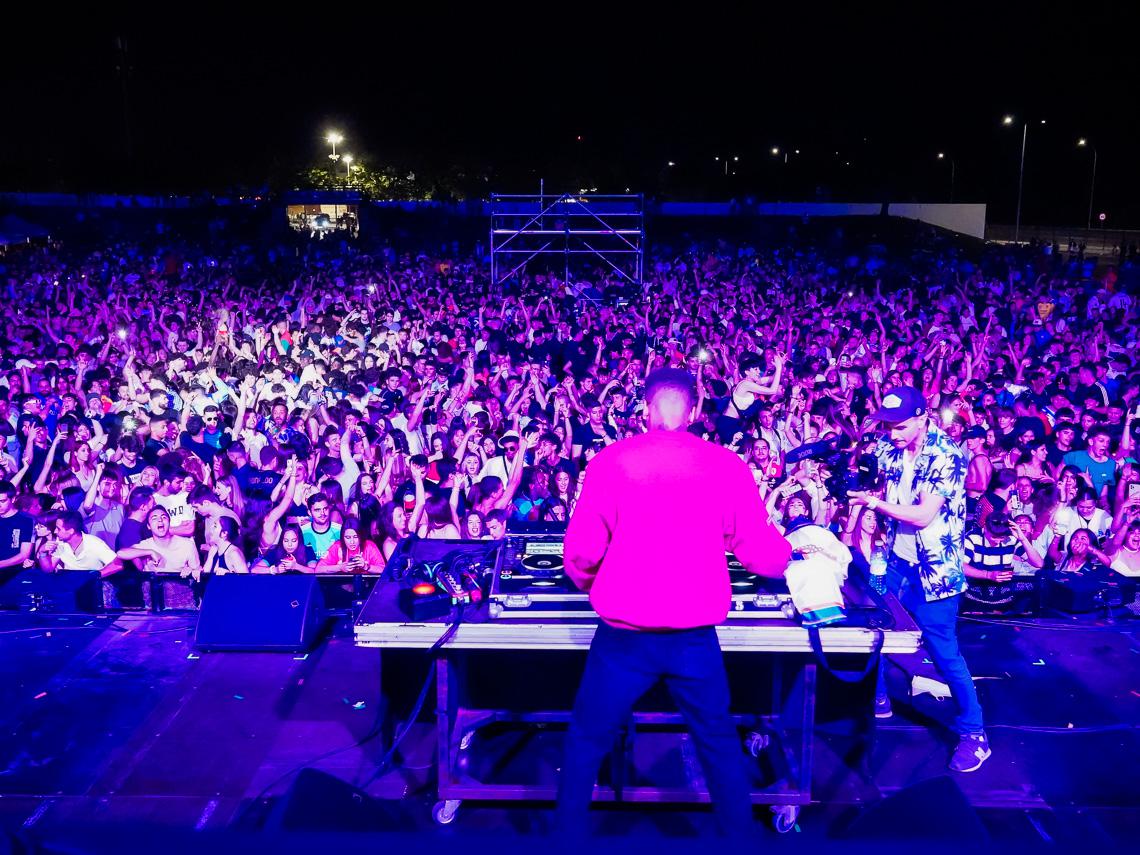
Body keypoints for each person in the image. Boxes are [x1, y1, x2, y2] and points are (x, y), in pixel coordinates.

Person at [557, 368, 791, 839]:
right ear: (694, 411)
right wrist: (791, 554)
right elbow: (761, 553)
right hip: (693, 640)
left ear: (646, 410)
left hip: (622, 638)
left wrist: (595, 584)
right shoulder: (725, 465)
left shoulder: (610, 461)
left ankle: (564, 844)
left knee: (585, 741)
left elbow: (580, 554)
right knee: (718, 746)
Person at [848, 385, 990, 772]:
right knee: (875, 628)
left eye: (900, 426)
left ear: (923, 418)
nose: (891, 433)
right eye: (887, 425)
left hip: (934, 573)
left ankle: (975, 734)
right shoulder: (890, 446)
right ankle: (878, 696)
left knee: (944, 653)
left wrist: (873, 503)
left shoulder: (946, 455)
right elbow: (870, 471)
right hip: (895, 564)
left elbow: (924, 516)